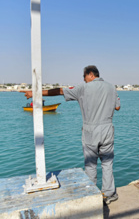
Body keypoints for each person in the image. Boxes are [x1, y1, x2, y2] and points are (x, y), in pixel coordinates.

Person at [22, 65, 120, 205]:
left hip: (90, 130)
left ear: (90, 74)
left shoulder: (83, 88)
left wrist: (35, 93)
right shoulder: (111, 87)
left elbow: (60, 91)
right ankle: (109, 194)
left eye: (84, 76)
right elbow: (117, 107)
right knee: (107, 163)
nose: (83, 79)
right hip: (107, 129)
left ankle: (91, 194)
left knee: (91, 164)